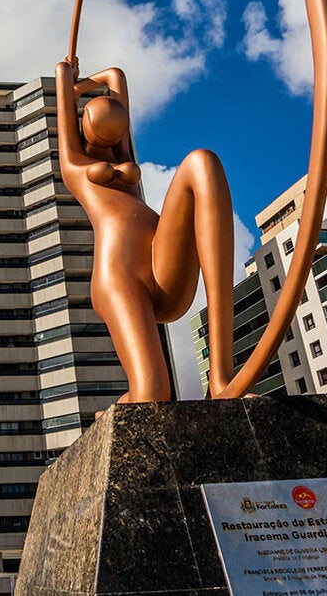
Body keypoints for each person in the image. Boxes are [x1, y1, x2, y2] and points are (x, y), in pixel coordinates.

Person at [54, 59, 236, 401]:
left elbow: (117, 77)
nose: (112, 135)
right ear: (83, 125)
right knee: (152, 393)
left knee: (202, 162)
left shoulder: (124, 153)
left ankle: (222, 377)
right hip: (120, 276)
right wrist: (68, 80)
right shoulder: (74, 164)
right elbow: (63, 94)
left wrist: (86, 85)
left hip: (161, 260)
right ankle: (121, 405)